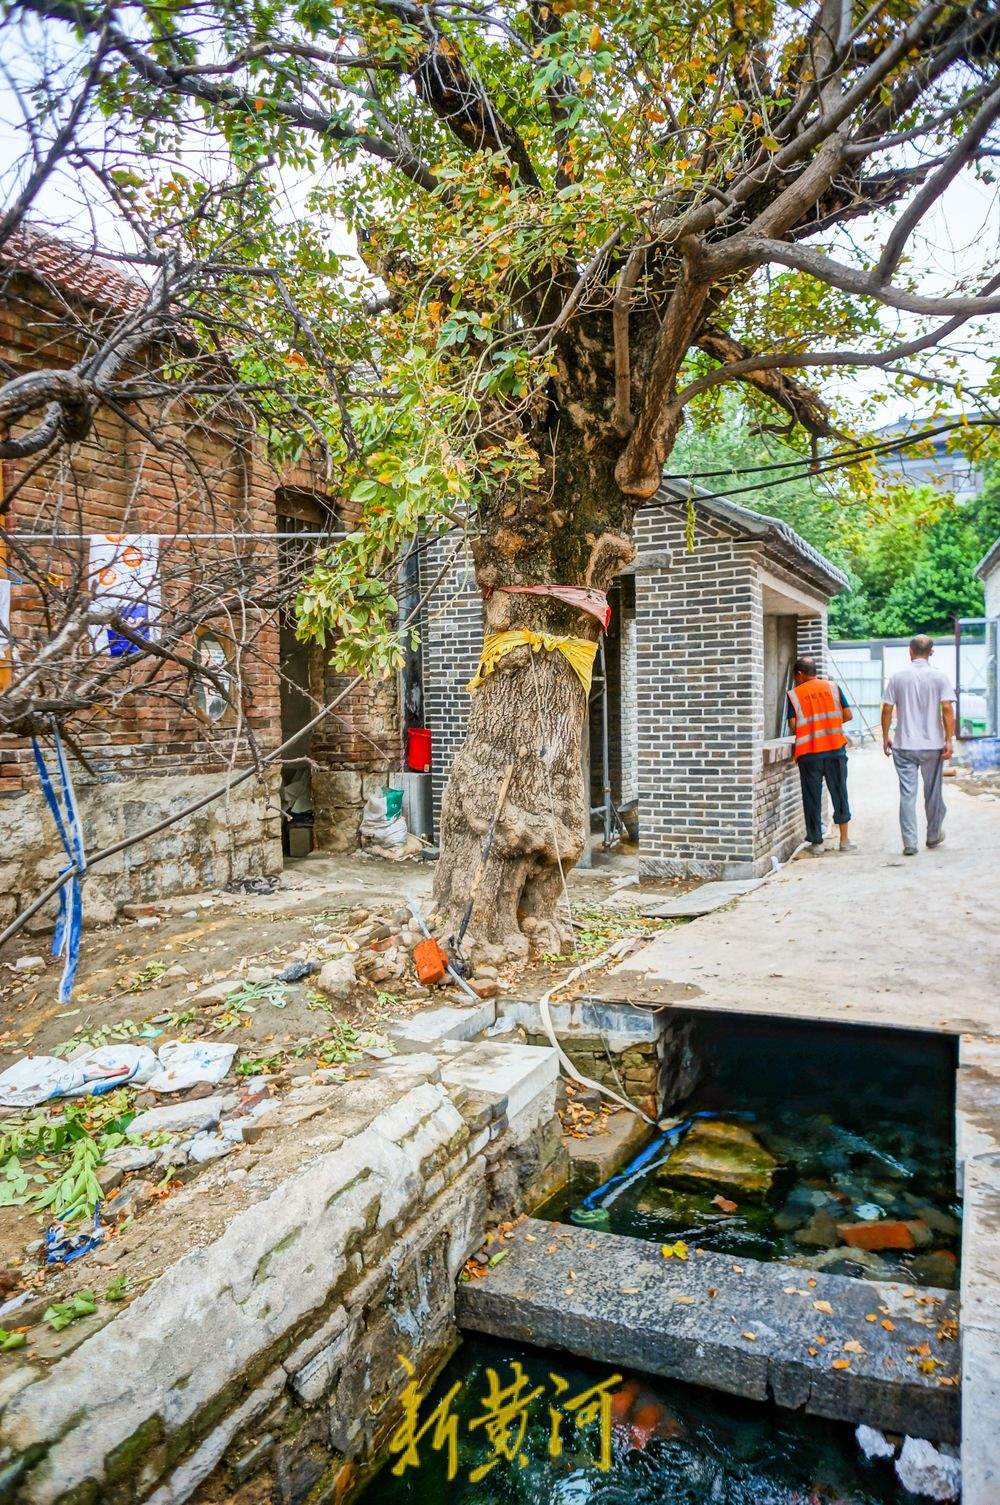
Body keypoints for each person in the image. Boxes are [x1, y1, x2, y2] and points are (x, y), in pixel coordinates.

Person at [881, 634, 956, 856]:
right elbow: (947, 709)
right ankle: (933, 836)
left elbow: (886, 708)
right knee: (933, 793)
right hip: (933, 746)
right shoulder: (940, 677)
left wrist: (885, 736)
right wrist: (949, 739)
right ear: (931, 652)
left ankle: (910, 843)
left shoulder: (897, 677)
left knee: (907, 794)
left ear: (910, 651)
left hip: (903, 746)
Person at [786, 656, 855, 856]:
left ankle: (816, 843)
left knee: (812, 798)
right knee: (840, 793)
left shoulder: (794, 694)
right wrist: (829, 724)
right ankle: (844, 840)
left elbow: (793, 726)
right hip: (835, 750)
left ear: (799, 674)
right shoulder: (833, 687)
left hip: (809, 754)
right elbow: (848, 715)